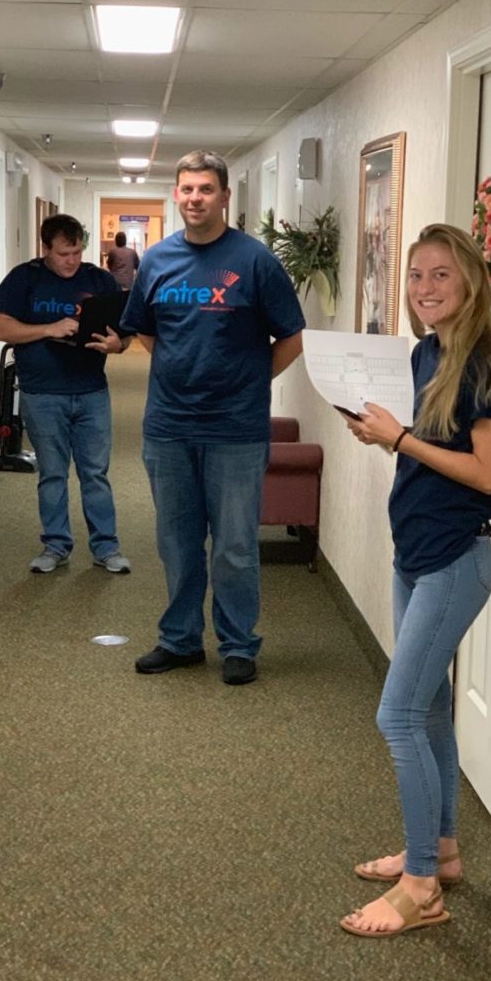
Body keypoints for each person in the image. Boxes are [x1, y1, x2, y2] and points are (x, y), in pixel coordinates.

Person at [339, 223, 491, 937]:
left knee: (398, 714)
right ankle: (441, 851)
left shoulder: (486, 367)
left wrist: (402, 440)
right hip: (412, 553)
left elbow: (486, 474)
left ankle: (421, 887)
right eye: (415, 275)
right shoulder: (426, 352)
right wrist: (384, 432)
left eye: (441, 275)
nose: (424, 288)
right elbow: (425, 448)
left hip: (455, 561)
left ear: (470, 281)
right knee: (433, 707)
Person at [120, 149, 305, 686]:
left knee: (235, 545)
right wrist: (182, 371)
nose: (195, 198)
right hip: (168, 428)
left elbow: (291, 337)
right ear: (176, 195)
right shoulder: (156, 260)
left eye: (206, 189)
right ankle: (180, 640)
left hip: (236, 430)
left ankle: (238, 644)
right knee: (176, 542)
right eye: (187, 189)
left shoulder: (255, 261)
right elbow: (145, 329)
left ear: (225, 196)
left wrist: (249, 381)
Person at [0, 213, 131, 575]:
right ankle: (55, 545)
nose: (72, 261)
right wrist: (49, 328)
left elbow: (126, 330)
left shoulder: (99, 280)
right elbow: (0, 328)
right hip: (42, 393)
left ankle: (106, 547)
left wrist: (117, 345)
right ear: (46, 248)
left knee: (95, 473)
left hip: (91, 391)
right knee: (52, 473)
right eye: (65, 253)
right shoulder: (26, 278)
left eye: (78, 252)